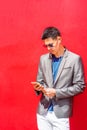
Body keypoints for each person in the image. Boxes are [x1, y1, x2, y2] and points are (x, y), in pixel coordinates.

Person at [31, 26, 85, 130]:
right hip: (43, 112)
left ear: (59, 39)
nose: (48, 48)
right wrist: (39, 87)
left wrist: (56, 92)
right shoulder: (43, 59)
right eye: (45, 46)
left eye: (51, 45)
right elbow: (40, 80)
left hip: (61, 113)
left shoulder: (74, 59)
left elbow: (80, 86)